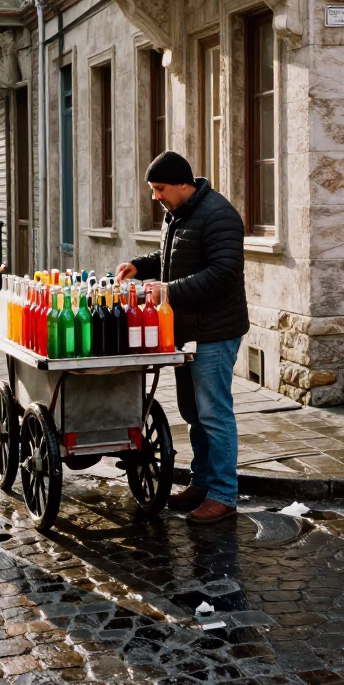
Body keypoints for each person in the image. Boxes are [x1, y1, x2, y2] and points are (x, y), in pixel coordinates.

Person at [116, 150, 249, 525]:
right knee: (193, 413)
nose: (155, 196)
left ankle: (223, 495)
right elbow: (173, 257)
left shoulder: (219, 214)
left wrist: (169, 291)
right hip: (186, 332)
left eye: (159, 189)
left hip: (215, 332)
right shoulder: (177, 213)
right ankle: (202, 482)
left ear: (182, 184)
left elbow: (223, 272)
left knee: (214, 413)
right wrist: (140, 266)